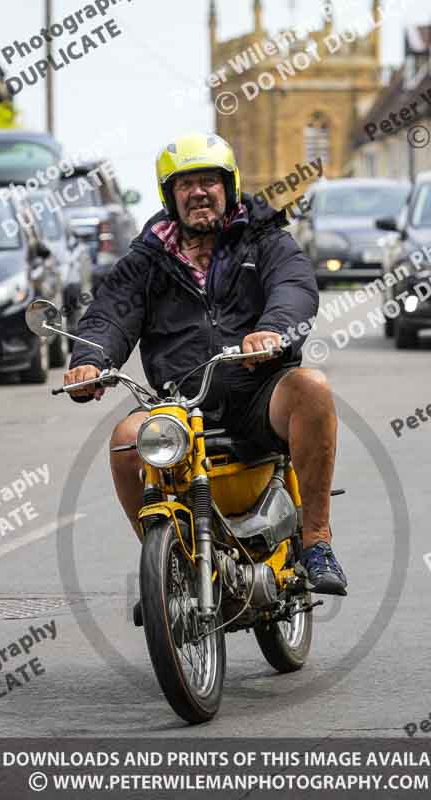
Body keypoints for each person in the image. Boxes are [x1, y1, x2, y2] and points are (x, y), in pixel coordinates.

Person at [64, 132, 347, 596]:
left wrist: (273, 329)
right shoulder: (146, 260)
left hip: (259, 391)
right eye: (185, 184)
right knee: (125, 441)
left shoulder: (265, 239)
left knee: (312, 388)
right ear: (169, 196)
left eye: (209, 181)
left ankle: (316, 540)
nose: (198, 192)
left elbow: (295, 287)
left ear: (229, 186)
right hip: (181, 404)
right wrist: (90, 360)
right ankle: (168, 571)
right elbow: (109, 316)